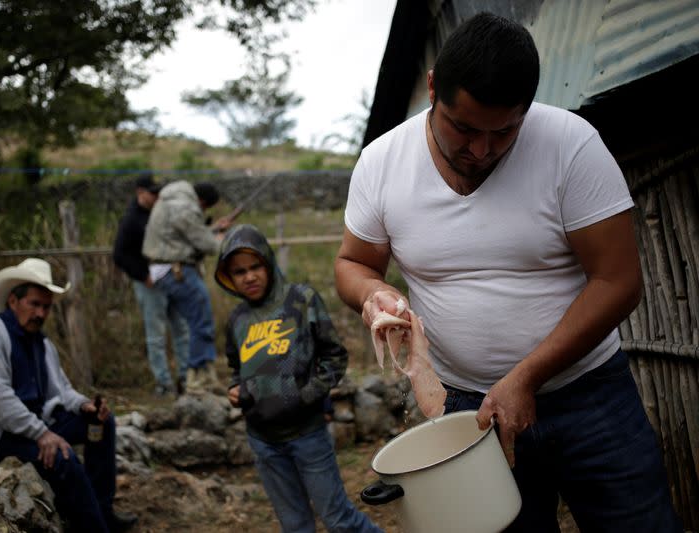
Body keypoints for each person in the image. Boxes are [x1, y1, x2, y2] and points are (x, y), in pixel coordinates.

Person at [334, 12, 681, 532]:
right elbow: (353, 263)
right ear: (433, 88)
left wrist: (526, 376)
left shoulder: (570, 145)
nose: (480, 150)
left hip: (589, 396)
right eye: (465, 128)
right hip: (468, 409)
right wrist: (374, 294)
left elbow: (618, 281)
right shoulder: (383, 163)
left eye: (504, 132)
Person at [215, 224, 382, 533]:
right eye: (239, 272)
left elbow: (335, 357)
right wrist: (235, 388)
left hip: (308, 434)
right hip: (263, 441)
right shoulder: (237, 320)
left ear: (268, 263)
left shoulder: (300, 300)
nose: (249, 276)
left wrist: (303, 396)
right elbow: (235, 367)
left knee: (339, 520)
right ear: (229, 278)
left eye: (255, 267)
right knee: (294, 526)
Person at [0, 258, 137, 533]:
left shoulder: (41, 342)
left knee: (101, 424)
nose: (41, 313)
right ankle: (95, 529)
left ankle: (103, 510)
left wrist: (85, 405)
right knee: (64, 459)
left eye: (46, 307)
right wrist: (42, 434)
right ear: (13, 301)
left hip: (34, 424)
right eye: (34, 304)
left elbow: (60, 390)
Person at [142, 180, 230, 394]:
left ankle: (200, 373)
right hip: (177, 269)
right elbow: (207, 245)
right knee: (201, 321)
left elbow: (180, 236)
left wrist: (212, 228)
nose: (203, 211)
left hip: (167, 269)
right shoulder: (186, 207)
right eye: (205, 208)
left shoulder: (172, 200)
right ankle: (198, 377)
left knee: (191, 324)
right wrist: (219, 238)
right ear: (202, 201)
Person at [112, 172, 190, 398]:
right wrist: (143, 275)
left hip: (172, 278)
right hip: (149, 283)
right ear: (140, 192)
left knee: (181, 329)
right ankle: (163, 383)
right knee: (156, 335)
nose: (157, 196)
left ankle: (185, 378)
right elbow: (119, 254)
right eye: (152, 193)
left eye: (158, 192)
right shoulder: (131, 220)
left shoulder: (161, 213)